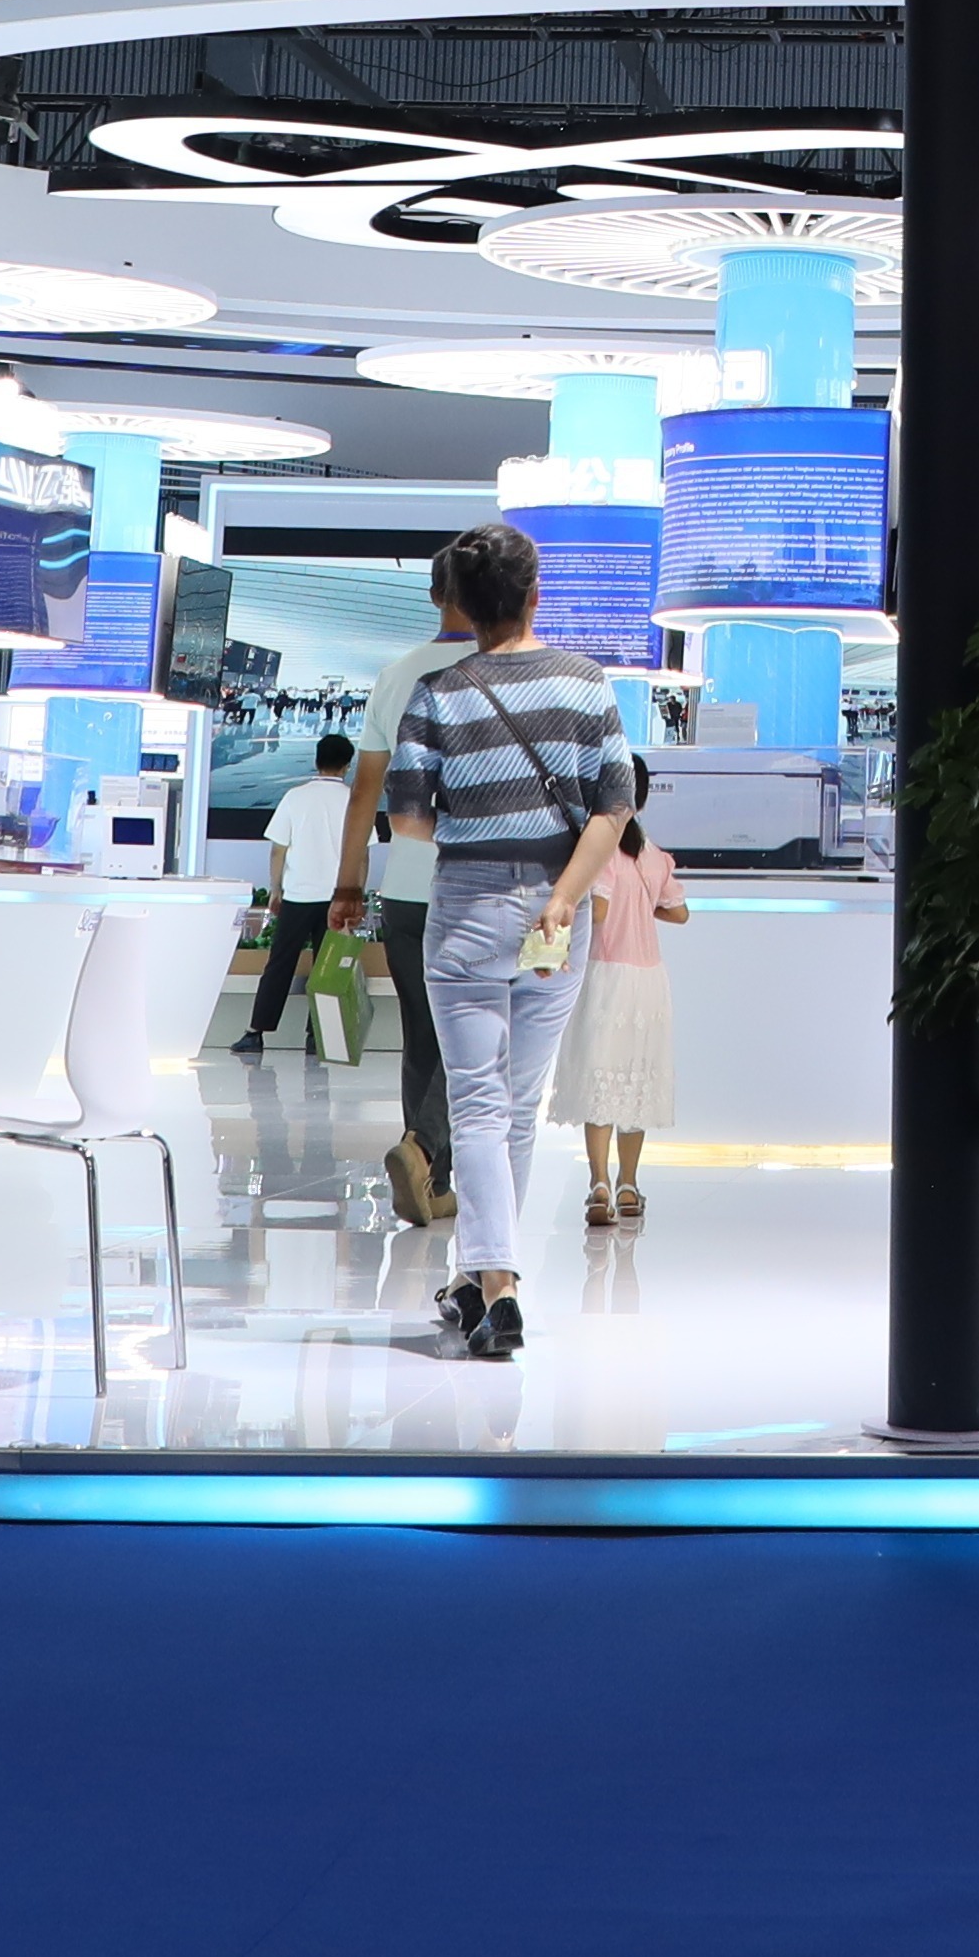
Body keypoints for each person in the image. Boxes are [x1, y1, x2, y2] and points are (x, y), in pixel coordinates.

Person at [379, 519, 629, 1362]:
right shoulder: (585, 683)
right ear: (533, 596)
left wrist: (477, 811)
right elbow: (614, 809)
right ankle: (486, 1278)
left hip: (467, 909)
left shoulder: (439, 693)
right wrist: (560, 897)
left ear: (458, 605)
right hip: (559, 912)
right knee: (517, 1105)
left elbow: (409, 821)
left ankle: (494, 1284)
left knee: (477, 1104)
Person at [331, 574, 479, 1227]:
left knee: (422, 1032)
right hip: (474, 887)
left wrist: (348, 885)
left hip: (405, 892)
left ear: (434, 595)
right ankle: (422, 1149)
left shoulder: (394, 677)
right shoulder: (499, 671)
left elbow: (365, 793)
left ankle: (432, 1183)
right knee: (474, 1034)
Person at [553, 757, 688, 1229]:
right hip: (648, 981)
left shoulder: (602, 853)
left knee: (600, 1078)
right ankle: (629, 1184)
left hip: (605, 975)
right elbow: (679, 912)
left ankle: (599, 1184)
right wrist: (643, 908)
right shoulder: (653, 855)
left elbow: (600, 911)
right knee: (636, 1079)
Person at [235, 732, 360, 1054]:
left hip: (298, 896)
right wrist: (354, 895)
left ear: (316, 761)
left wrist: (275, 889)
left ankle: (255, 1033)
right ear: (347, 765)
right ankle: (318, 1036)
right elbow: (362, 855)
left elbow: (279, 849)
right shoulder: (354, 801)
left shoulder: (295, 797)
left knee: (279, 964)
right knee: (327, 967)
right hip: (337, 898)